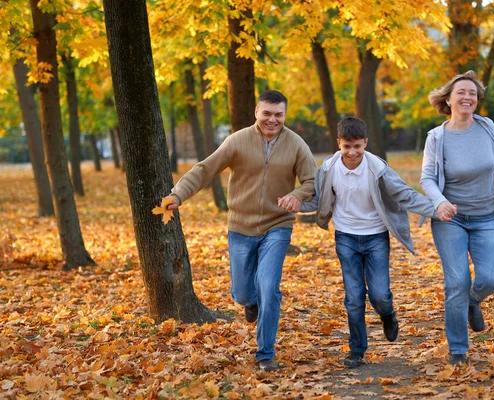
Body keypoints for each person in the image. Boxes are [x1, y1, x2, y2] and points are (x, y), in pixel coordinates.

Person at [167, 90, 317, 372]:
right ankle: (249, 302)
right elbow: (205, 169)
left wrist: (297, 194)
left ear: (285, 115)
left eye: (278, 114)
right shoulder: (237, 140)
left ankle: (265, 353)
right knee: (243, 292)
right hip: (240, 226)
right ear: (257, 113)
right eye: (267, 113)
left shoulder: (297, 144)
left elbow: (311, 180)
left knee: (269, 287)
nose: (272, 120)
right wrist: (178, 194)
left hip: (278, 225)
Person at [300, 116, 454, 368]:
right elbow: (319, 199)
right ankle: (356, 349)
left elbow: (404, 194)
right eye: (346, 146)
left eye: (357, 146)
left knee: (380, 294)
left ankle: (388, 315)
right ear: (338, 143)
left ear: (365, 143)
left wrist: (436, 207)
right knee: (353, 297)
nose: (352, 152)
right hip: (346, 237)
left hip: (375, 238)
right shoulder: (328, 169)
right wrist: (291, 205)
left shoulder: (377, 169)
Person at [420, 71, 494, 365]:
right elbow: (427, 178)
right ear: (448, 99)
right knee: (456, 283)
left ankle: (473, 299)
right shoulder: (437, 137)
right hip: (450, 220)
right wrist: (439, 202)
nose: (468, 98)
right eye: (461, 93)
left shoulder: (487, 127)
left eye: (473, 94)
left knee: (492, 278)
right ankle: (457, 349)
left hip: (487, 217)